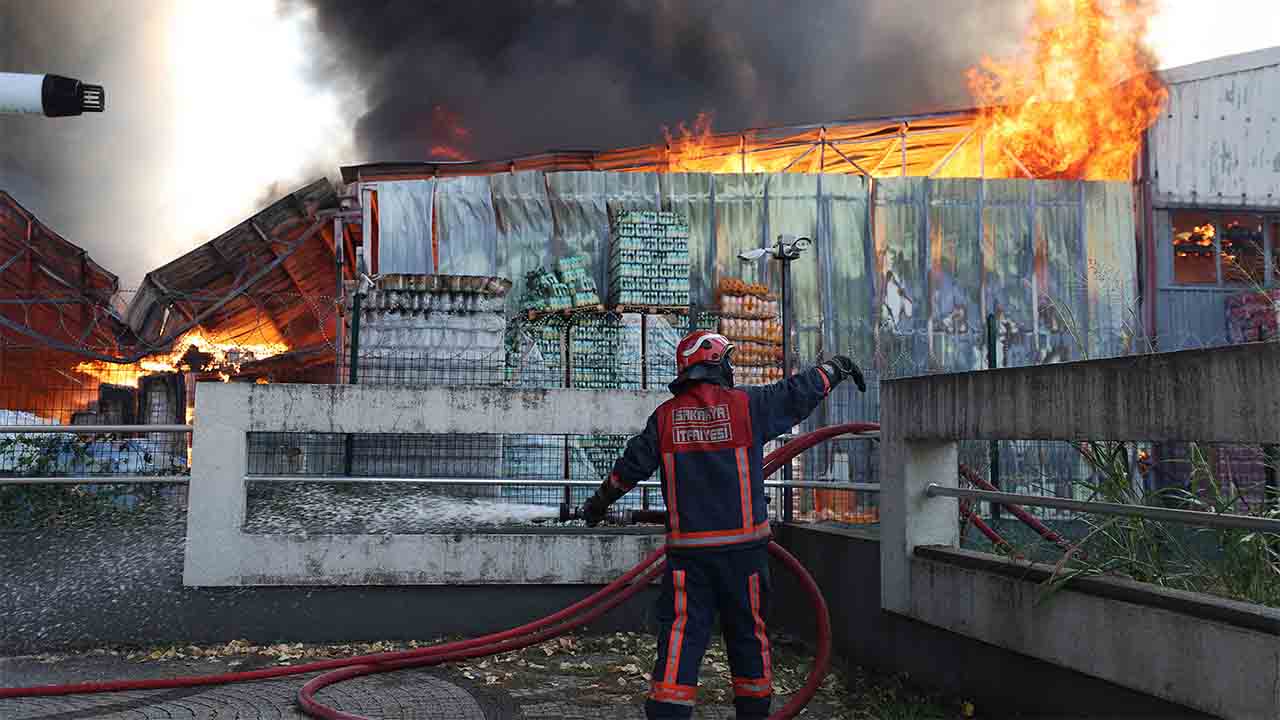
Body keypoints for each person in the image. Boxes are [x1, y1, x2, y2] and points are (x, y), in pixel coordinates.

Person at [580, 330, 865, 719]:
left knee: (682, 636)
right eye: (727, 359)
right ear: (715, 362)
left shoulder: (664, 418)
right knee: (749, 635)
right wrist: (837, 368)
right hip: (744, 555)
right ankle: (754, 712)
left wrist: (597, 506)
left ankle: (668, 713)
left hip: (689, 558)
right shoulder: (747, 406)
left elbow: (627, 470)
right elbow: (797, 392)